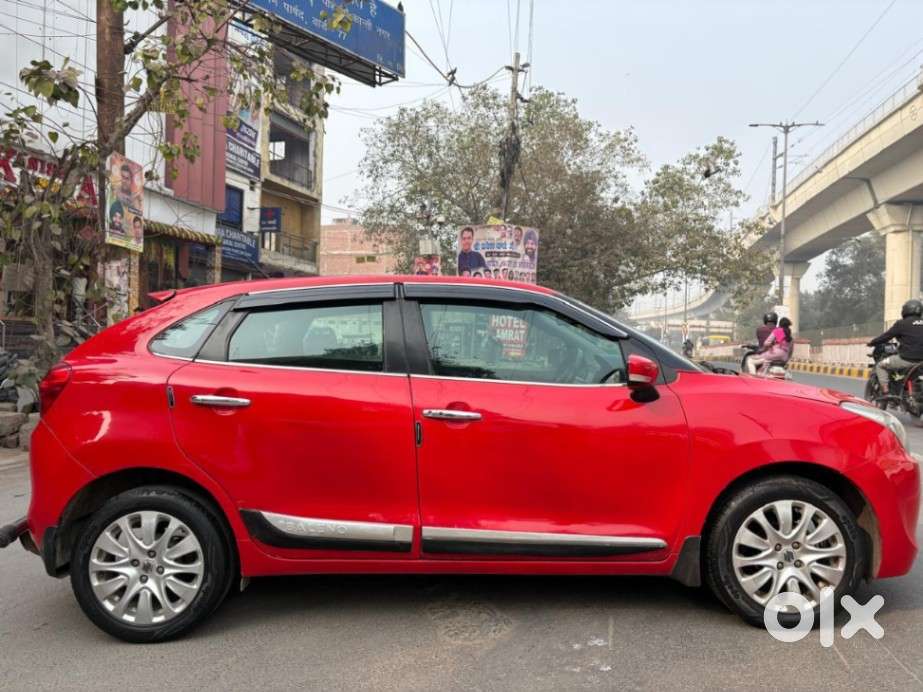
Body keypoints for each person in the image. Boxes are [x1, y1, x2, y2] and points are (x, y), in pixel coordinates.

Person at [868, 299, 923, 395]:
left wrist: (872, 342)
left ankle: (886, 392)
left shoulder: (902, 323)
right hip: (921, 362)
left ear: (906, 310)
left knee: (881, 365)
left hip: (907, 359)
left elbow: (886, 336)